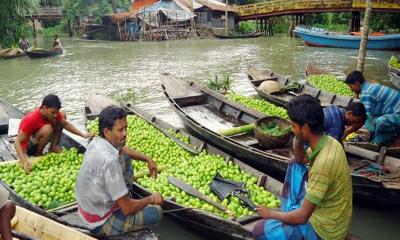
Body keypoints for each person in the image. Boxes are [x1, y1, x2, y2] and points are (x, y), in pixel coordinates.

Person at [253, 95, 352, 240]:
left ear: (305, 127)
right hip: (331, 214)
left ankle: (289, 217)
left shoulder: (324, 163)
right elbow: (301, 159)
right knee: (294, 164)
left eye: (293, 126)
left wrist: (270, 214)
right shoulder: (329, 141)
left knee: (259, 230)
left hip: (326, 231)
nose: (291, 130)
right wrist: (297, 139)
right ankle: (288, 211)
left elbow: (302, 217)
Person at [75, 106, 163, 237]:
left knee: (125, 157)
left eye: (126, 128)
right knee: (156, 212)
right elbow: (127, 209)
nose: (125, 133)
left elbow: (123, 150)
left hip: (86, 208)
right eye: (120, 130)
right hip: (99, 222)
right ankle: (121, 207)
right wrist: (151, 198)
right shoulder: (110, 162)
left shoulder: (96, 142)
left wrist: (147, 159)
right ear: (106, 131)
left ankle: (122, 196)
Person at [14, 94, 94, 173]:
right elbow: (16, 143)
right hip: (28, 147)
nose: (55, 115)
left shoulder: (54, 113)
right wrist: (24, 161)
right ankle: (38, 154)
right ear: (44, 108)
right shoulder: (31, 119)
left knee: (62, 115)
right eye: (52, 112)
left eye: (56, 112)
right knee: (47, 129)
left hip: (39, 138)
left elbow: (65, 124)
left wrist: (82, 135)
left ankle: (53, 146)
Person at [345, 71, 400, 146]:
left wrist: (346, 133)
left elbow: (362, 119)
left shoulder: (367, 93)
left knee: (380, 121)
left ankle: (381, 143)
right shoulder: (369, 86)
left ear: (357, 84)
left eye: (351, 87)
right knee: (373, 119)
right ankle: (377, 139)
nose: (351, 90)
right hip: (396, 112)